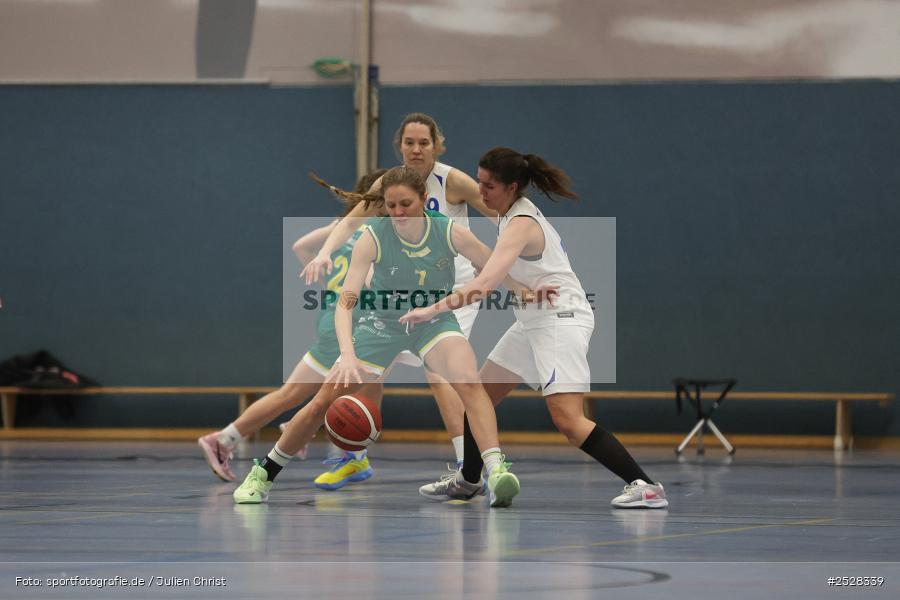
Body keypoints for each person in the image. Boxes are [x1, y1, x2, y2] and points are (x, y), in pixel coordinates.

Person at [233, 166, 521, 508]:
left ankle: (496, 471)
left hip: (432, 321)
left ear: (424, 200)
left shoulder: (448, 231)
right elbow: (345, 303)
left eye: (405, 204)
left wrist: (524, 290)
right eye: (391, 205)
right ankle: (263, 474)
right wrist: (348, 355)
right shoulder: (372, 236)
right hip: (381, 324)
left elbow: (495, 265)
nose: (398, 213)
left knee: (468, 381)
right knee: (321, 403)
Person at [402, 147, 669, 509]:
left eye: (489, 186)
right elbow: (500, 268)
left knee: (569, 419)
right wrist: (517, 283)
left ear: (511, 187)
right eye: (479, 183)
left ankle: (647, 486)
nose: (480, 192)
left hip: (560, 319)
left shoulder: (520, 223)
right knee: (479, 397)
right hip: (534, 318)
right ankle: (469, 480)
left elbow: (484, 285)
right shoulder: (508, 216)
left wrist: (431, 310)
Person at [302, 113, 497, 478]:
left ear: (437, 146)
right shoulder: (390, 183)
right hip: (398, 293)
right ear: (399, 146)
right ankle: (355, 456)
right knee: (367, 372)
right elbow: (352, 220)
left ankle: (467, 464)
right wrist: (326, 251)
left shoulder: (452, 180)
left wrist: (505, 259)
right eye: (409, 143)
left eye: (424, 142)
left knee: (440, 375)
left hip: (449, 290)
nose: (416, 149)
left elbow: (499, 212)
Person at [199, 170, 392, 488]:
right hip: (354, 321)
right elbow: (372, 279)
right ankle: (338, 449)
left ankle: (229, 437)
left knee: (303, 392)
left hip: (333, 316)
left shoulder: (340, 227)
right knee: (357, 387)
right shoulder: (379, 232)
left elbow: (301, 246)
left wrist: (324, 276)